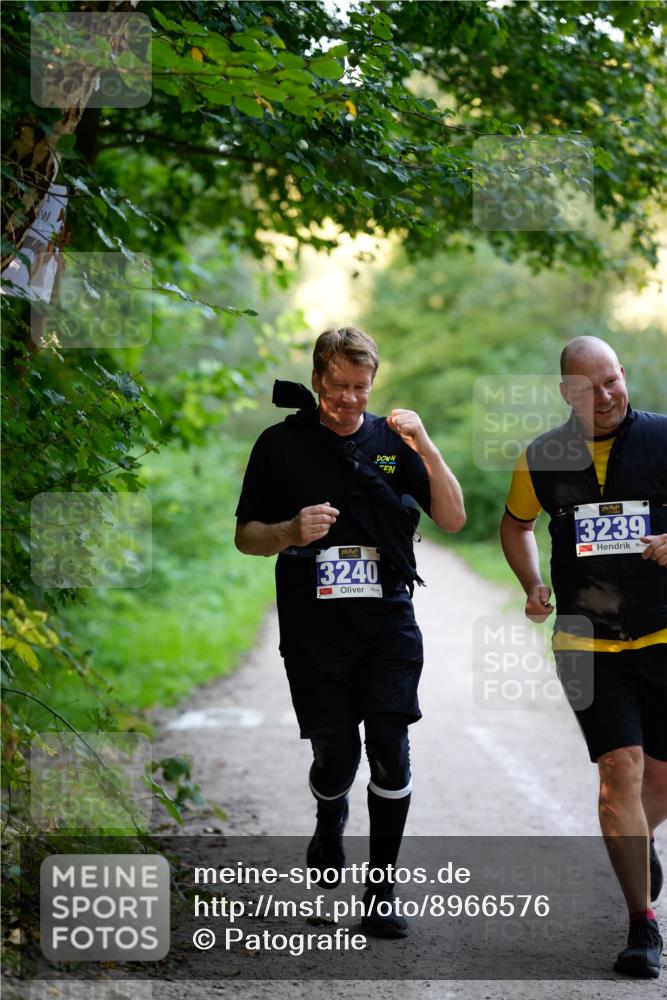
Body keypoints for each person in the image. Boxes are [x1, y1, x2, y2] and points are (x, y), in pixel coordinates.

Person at [235, 326, 465, 938]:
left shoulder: (393, 442)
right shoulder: (279, 446)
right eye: (338, 387)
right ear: (316, 380)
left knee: (390, 753)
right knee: (338, 760)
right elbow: (245, 537)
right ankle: (329, 809)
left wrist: (427, 448)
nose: (349, 400)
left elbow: (452, 516)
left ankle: (381, 891)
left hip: (388, 621)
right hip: (314, 632)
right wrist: (288, 531)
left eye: (361, 388)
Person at [499, 335, 667, 979]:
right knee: (620, 770)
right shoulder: (542, 457)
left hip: (663, 634)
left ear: (624, 375)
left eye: (612, 381)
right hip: (585, 641)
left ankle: (637, 840)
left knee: (660, 778)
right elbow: (515, 525)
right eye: (588, 387)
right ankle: (641, 925)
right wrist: (532, 583)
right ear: (566, 393)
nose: (605, 396)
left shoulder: (662, 438)